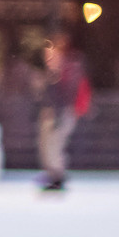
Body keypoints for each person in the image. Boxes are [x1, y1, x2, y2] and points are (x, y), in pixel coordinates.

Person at [37, 32, 91, 193]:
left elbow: (65, 94)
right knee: (50, 144)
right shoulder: (63, 68)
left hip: (60, 112)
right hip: (57, 111)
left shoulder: (67, 68)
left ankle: (57, 177)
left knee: (54, 143)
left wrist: (57, 112)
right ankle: (54, 175)